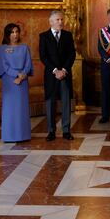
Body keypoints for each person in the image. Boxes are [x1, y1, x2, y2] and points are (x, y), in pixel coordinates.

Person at [39, 10, 75, 141]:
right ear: (51, 22)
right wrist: (55, 70)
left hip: (65, 74)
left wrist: (64, 70)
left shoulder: (67, 35)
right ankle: (51, 131)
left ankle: (66, 131)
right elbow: (43, 57)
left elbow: (72, 54)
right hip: (51, 75)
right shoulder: (43, 36)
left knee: (66, 103)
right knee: (50, 103)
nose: (61, 22)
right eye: (58, 20)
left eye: (62, 19)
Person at [0, 23, 33, 142]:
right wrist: (16, 75)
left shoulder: (24, 48)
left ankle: (24, 135)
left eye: (17, 32)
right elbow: (4, 66)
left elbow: (28, 64)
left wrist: (22, 76)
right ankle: (9, 136)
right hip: (9, 81)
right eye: (12, 32)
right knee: (10, 109)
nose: (15, 34)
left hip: (22, 81)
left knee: (21, 108)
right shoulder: (2, 49)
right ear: (7, 34)